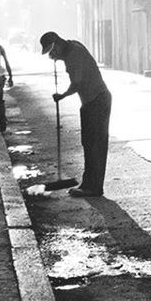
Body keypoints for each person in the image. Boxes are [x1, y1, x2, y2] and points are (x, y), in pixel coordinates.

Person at [40, 31, 111, 198]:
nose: (53, 55)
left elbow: (77, 82)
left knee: (95, 145)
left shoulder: (74, 53)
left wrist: (62, 95)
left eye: (52, 51)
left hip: (97, 101)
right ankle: (87, 183)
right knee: (88, 143)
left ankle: (94, 187)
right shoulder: (71, 49)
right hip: (90, 102)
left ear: (57, 44)